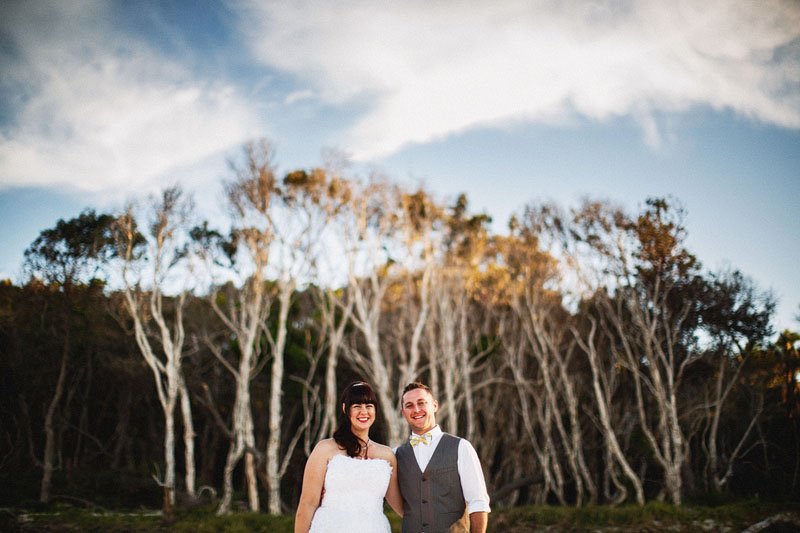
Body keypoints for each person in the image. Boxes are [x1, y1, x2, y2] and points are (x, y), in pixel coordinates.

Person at [295, 381, 403, 533]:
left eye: (369, 406)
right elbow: (308, 503)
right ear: (345, 409)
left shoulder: (387, 455)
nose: (364, 412)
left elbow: (401, 506)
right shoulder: (325, 449)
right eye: (357, 406)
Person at [396, 382, 490, 533]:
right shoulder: (396, 455)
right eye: (409, 405)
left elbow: (478, 502)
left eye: (421, 403)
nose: (416, 409)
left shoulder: (461, 447)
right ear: (403, 412)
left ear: (434, 405)